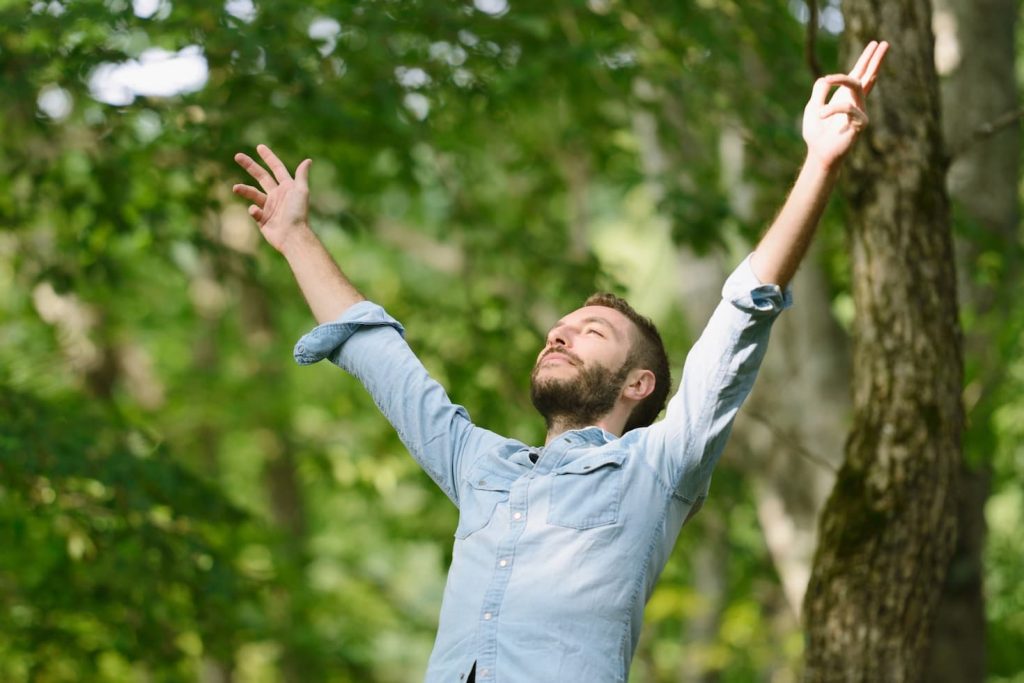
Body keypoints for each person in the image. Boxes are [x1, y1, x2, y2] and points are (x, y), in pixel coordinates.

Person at [232, 41, 889, 683]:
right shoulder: (480, 464)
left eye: (590, 331)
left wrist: (819, 164)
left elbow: (743, 313)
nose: (558, 335)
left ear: (638, 383)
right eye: (559, 329)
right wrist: (294, 236)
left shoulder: (658, 468)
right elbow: (379, 355)